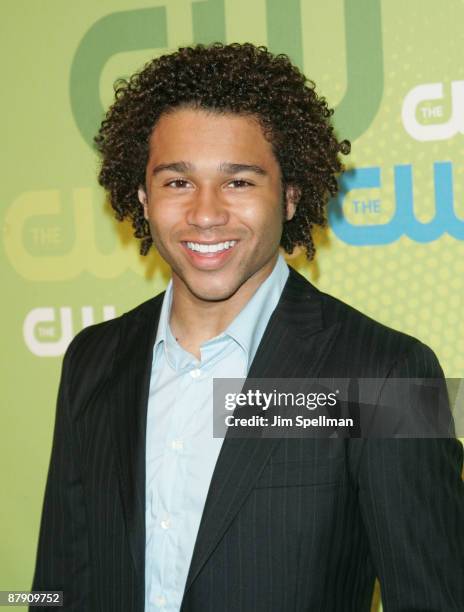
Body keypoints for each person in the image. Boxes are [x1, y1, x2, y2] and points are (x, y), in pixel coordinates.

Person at [31, 43, 464, 611]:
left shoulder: (388, 374)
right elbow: (56, 587)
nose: (206, 213)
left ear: (289, 196)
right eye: (177, 182)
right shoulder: (92, 359)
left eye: (238, 182)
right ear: (141, 195)